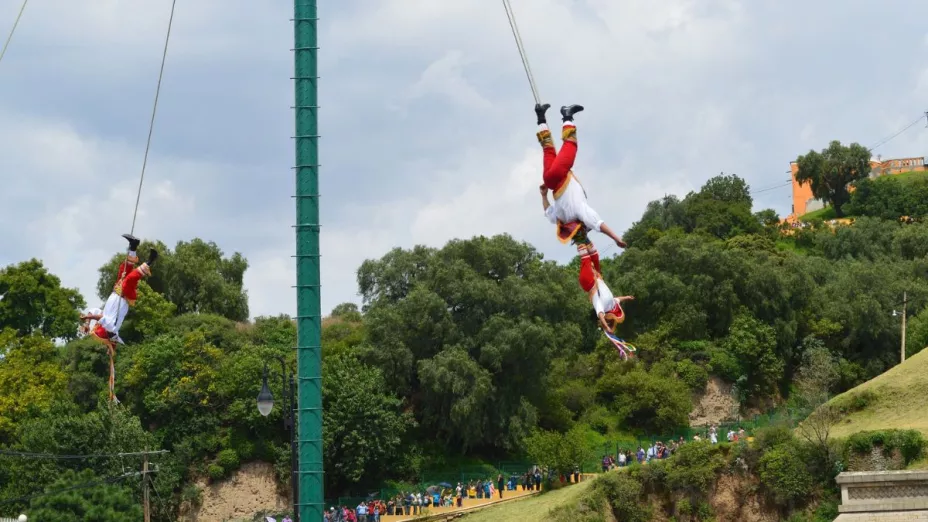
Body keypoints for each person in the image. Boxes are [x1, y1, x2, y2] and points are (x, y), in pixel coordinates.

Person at [536, 103, 627, 256]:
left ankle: (567, 115)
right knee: (547, 148)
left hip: (560, 175)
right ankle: (540, 116)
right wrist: (544, 195)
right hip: (549, 182)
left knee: (570, 144)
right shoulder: (560, 219)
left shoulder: (580, 212)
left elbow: (599, 224)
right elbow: (547, 212)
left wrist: (616, 238)